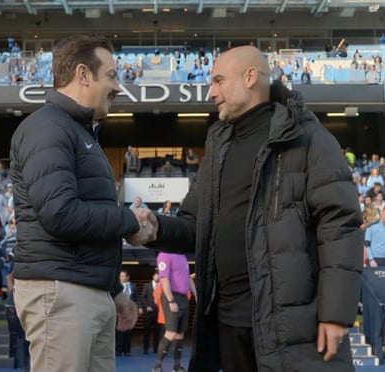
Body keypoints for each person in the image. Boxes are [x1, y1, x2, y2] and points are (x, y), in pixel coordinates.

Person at [129, 46, 362, 371]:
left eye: (219, 81)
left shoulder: (308, 138)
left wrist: (336, 313)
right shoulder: (217, 146)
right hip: (228, 322)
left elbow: (340, 226)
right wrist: (156, 228)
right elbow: (197, 227)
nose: (211, 92)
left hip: (293, 326)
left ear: (250, 77)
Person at [9, 35, 141, 372]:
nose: (117, 86)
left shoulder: (79, 132)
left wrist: (112, 291)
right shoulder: (47, 128)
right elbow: (60, 214)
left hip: (83, 289)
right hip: (61, 292)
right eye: (111, 75)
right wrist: (130, 220)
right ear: (83, 74)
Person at [152, 252, 196, 372]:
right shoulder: (164, 255)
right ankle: (157, 366)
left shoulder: (183, 256)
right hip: (171, 296)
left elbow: (188, 278)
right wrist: (171, 300)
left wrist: (197, 296)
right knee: (170, 333)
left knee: (180, 334)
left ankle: (177, 367)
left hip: (183, 297)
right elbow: (164, 279)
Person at [115, 270, 140, 357]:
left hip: (130, 310)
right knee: (119, 331)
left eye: (123, 276)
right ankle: (118, 350)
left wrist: (139, 307)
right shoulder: (116, 285)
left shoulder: (133, 286)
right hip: (120, 310)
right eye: (120, 276)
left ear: (127, 277)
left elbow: (137, 298)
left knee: (128, 331)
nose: (121, 277)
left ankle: (127, 350)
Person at [141, 272, 161, 355]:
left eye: (159, 276)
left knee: (157, 332)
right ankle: (145, 348)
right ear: (153, 276)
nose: (158, 277)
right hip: (148, 312)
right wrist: (146, 307)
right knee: (147, 331)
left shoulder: (162, 286)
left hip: (158, 312)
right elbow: (143, 297)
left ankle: (156, 349)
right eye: (156, 276)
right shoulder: (147, 285)